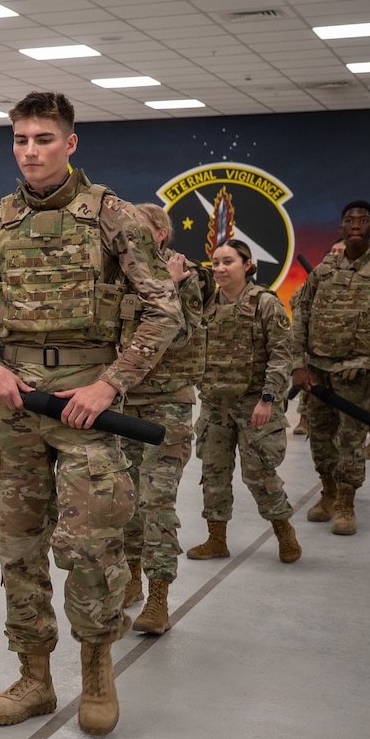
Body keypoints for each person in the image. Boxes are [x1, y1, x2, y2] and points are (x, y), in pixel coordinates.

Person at [0, 91, 179, 737]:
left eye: (44, 139)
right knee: (18, 543)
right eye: (22, 140)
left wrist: (111, 384)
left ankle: (96, 670)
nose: (31, 151)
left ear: (71, 143)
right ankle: (34, 677)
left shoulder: (113, 218)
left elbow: (164, 308)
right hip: (16, 408)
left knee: (91, 546)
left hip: (88, 409)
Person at [289, 201, 370, 536]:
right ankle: (327, 492)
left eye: (364, 220)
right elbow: (300, 317)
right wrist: (298, 366)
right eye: (349, 220)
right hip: (318, 372)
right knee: (320, 438)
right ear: (340, 229)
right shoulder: (323, 272)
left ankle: (345, 501)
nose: (356, 223)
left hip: (359, 373)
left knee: (352, 440)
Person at [120, 203, 210, 634]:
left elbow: (180, 335)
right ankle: (131, 580)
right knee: (123, 499)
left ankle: (159, 596)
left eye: (138, 228)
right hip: (120, 401)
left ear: (159, 234)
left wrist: (166, 288)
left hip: (167, 402)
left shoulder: (186, 274)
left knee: (155, 500)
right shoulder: (117, 271)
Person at [186, 239, 301, 564]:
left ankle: (283, 531)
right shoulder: (207, 304)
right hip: (214, 406)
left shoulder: (264, 303)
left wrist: (268, 399)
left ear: (248, 264)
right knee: (213, 474)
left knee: (260, 475)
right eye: (216, 263)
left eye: (228, 262)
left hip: (254, 405)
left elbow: (281, 355)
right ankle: (216, 539)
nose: (220, 269)